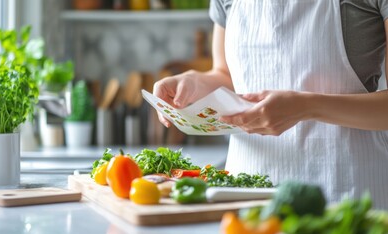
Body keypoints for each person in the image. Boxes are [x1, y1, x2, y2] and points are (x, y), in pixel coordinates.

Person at [153, 0, 388, 209]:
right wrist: (195, 81)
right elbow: (226, 75)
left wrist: (306, 106)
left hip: (346, 194)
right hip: (247, 193)